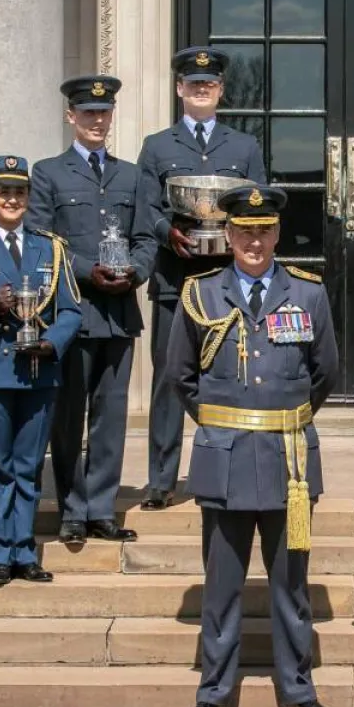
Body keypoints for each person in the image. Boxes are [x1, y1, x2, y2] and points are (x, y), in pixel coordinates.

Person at [165, 184, 342, 707]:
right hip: (225, 460)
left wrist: (278, 417)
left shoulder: (308, 293)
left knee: (291, 587)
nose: (255, 241)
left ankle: (298, 691)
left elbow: (325, 372)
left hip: (289, 461)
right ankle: (214, 693)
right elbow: (181, 376)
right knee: (221, 587)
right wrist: (223, 425)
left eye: (264, 231)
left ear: (278, 234)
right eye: (245, 231)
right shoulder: (201, 294)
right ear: (228, 234)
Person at [27, 74, 155, 544]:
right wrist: (86, 271)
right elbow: (41, 240)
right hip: (73, 313)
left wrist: (135, 271)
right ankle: (72, 509)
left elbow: (146, 238)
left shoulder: (131, 176)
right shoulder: (48, 173)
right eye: (88, 113)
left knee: (111, 417)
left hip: (119, 315)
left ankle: (102, 508)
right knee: (68, 417)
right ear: (71, 116)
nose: (97, 120)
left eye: (103, 112)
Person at [138, 47, 267, 510]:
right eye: (193, 84)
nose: (201, 90)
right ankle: (161, 480)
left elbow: (258, 207)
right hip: (175, 278)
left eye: (209, 84)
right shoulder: (157, 145)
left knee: (234, 373)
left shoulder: (244, 147)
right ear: (180, 89)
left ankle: (234, 467)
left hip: (228, 282)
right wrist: (166, 232)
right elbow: (145, 209)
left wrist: (239, 239)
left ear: (221, 90)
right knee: (169, 378)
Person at [0, 156, 83, 586]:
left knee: (28, 464)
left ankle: (25, 550)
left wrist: (52, 342)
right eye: (3, 192)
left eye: (19, 192)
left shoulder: (51, 247)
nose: (11, 199)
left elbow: (71, 310)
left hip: (38, 370)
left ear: (28, 198)